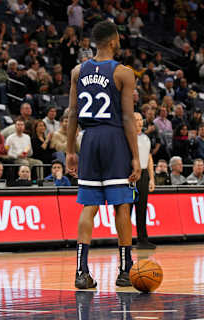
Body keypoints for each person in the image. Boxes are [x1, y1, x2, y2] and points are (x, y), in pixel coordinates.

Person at [66, 21, 141, 289]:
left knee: (89, 206)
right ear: (113, 40)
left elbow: (72, 112)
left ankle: (81, 272)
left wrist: (70, 150)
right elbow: (129, 119)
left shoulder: (78, 71)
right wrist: (135, 156)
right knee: (121, 205)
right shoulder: (123, 72)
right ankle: (124, 270)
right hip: (113, 139)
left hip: (88, 139)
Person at [133, 112, 156, 249]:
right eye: (136, 120)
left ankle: (142, 239)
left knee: (142, 209)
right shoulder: (127, 137)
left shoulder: (146, 138)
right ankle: (124, 241)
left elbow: (149, 159)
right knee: (127, 209)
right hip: (130, 175)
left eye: (141, 119)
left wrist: (152, 179)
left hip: (144, 174)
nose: (139, 122)